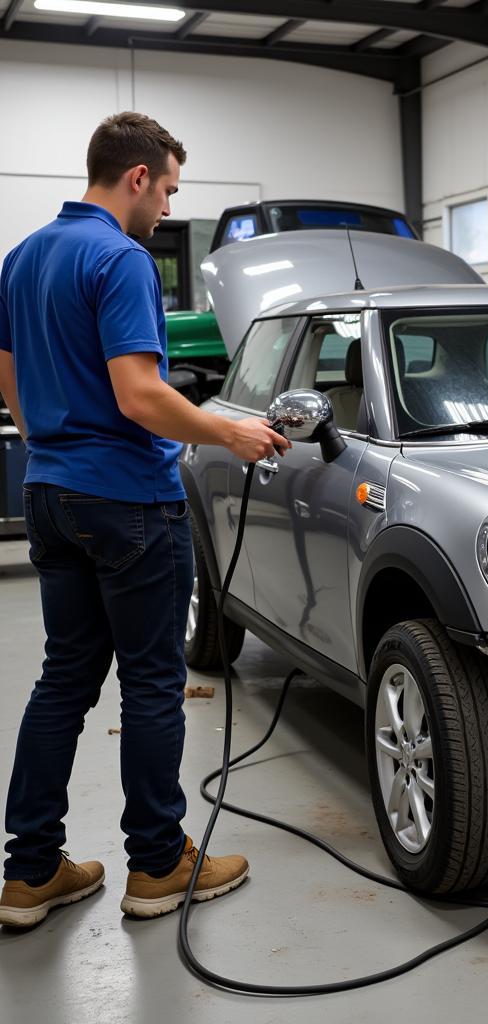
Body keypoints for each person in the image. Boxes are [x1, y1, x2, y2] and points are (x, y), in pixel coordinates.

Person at [0, 112, 290, 928]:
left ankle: (29, 874)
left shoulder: (22, 257)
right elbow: (138, 394)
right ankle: (158, 864)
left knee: (63, 681)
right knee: (155, 683)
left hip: (49, 493)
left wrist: (52, 441)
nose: (166, 206)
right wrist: (230, 430)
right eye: (166, 189)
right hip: (127, 501)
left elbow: (10, 379)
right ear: (135, 177)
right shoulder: (121, 257)